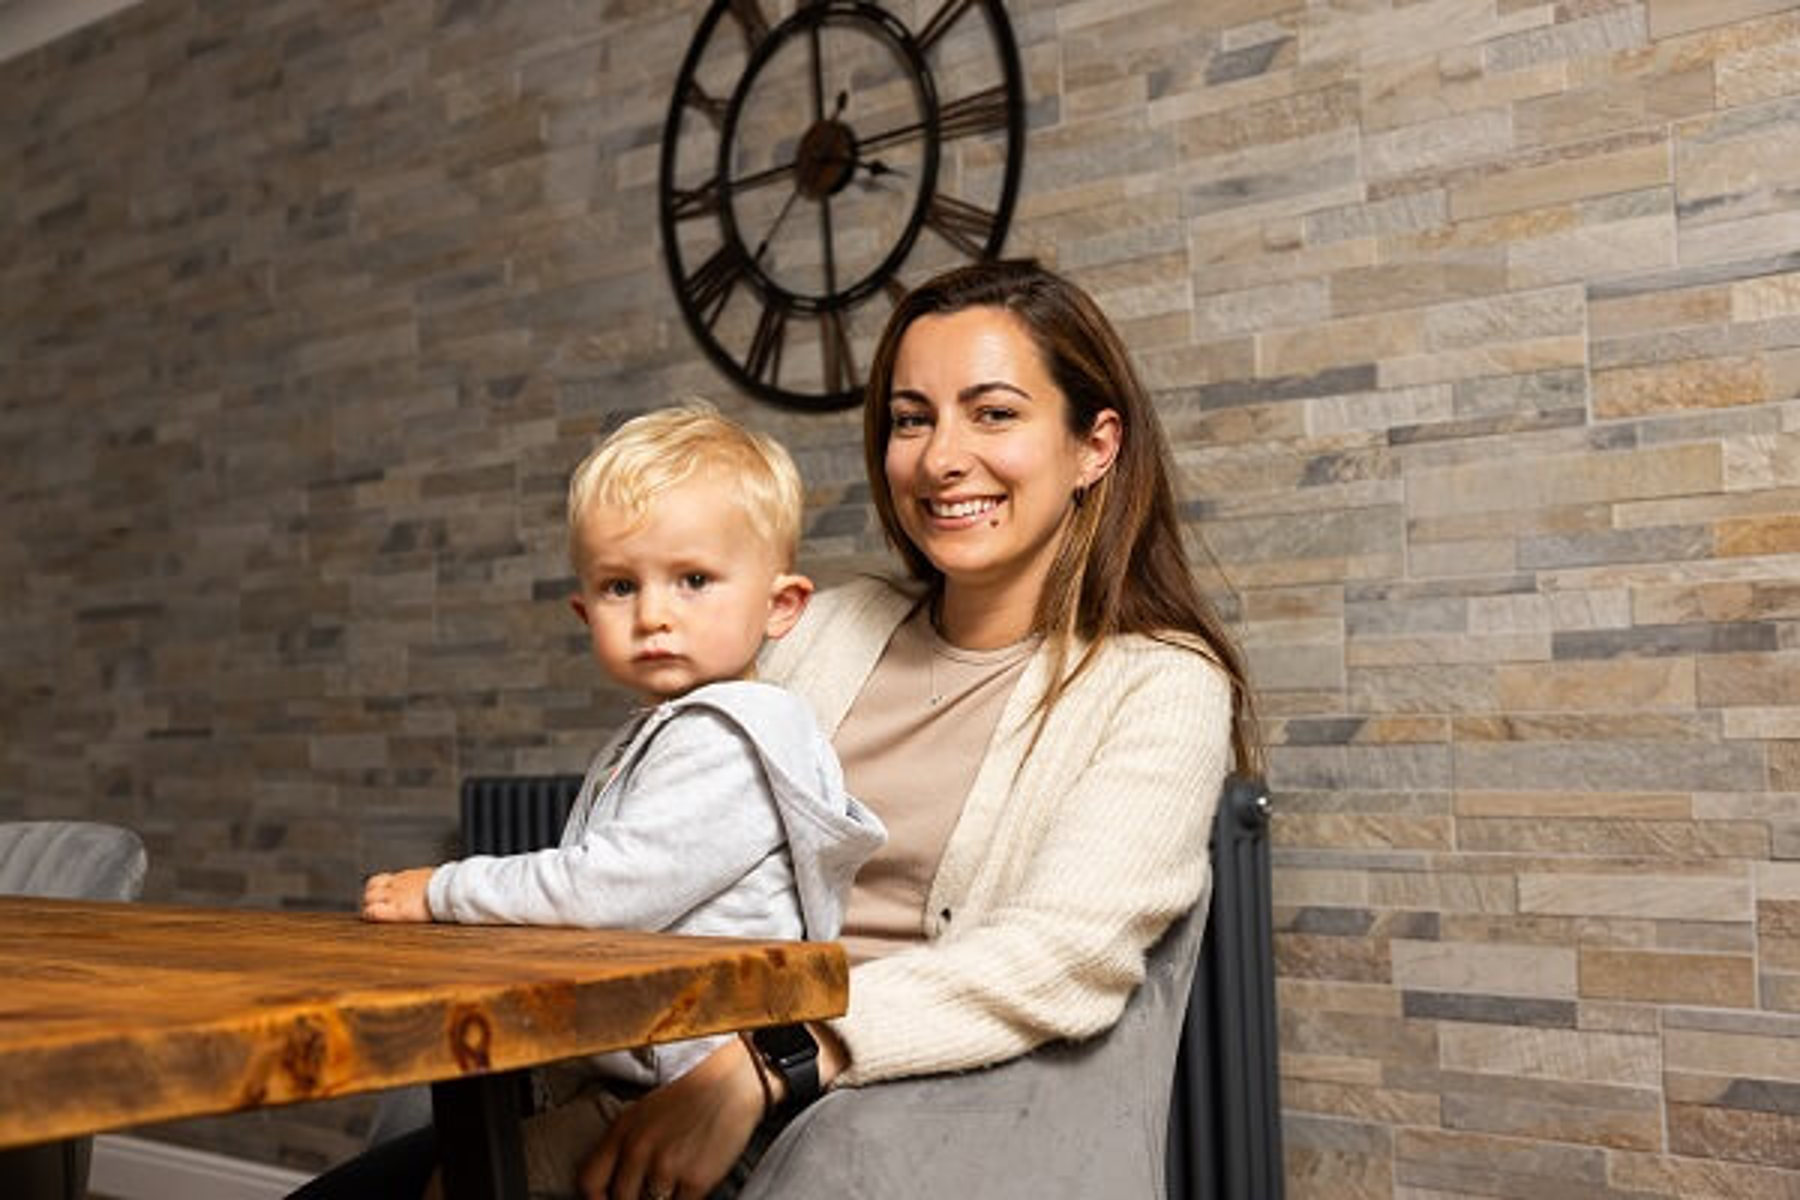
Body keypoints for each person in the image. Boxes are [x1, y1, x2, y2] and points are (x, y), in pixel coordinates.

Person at [296, 259, 1256, 1200]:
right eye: (911, 419)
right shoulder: (824, 626)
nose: (941, 457)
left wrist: (774, 1062)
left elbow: (1059, 958)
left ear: (1096, 445)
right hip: (665, 1071)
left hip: (866, 1110)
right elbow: (672, 827)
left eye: (993, 412)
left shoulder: (1161, 684)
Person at [352, 402, 886, 1199]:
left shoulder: (732, 735)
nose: (654, 615)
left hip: (690, 1096)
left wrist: (444, 888)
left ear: (782, 606)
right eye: (619, 586)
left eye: (694, 580)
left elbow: (605, 890)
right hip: (637, 1072)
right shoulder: (666, 729)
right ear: (583, 611)